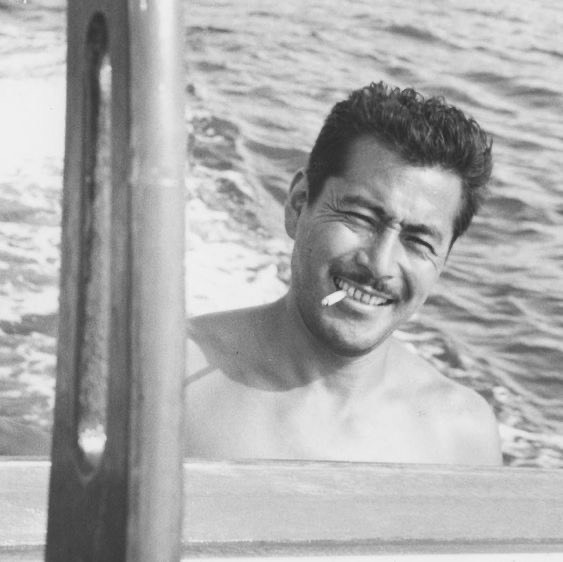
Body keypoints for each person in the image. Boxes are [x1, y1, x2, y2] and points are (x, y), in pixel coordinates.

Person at [185, 81, 502, 465]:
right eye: (359, 216)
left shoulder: (461, 436)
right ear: (298, 203)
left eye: (419, 241)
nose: (380, 265)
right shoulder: (167, 374)